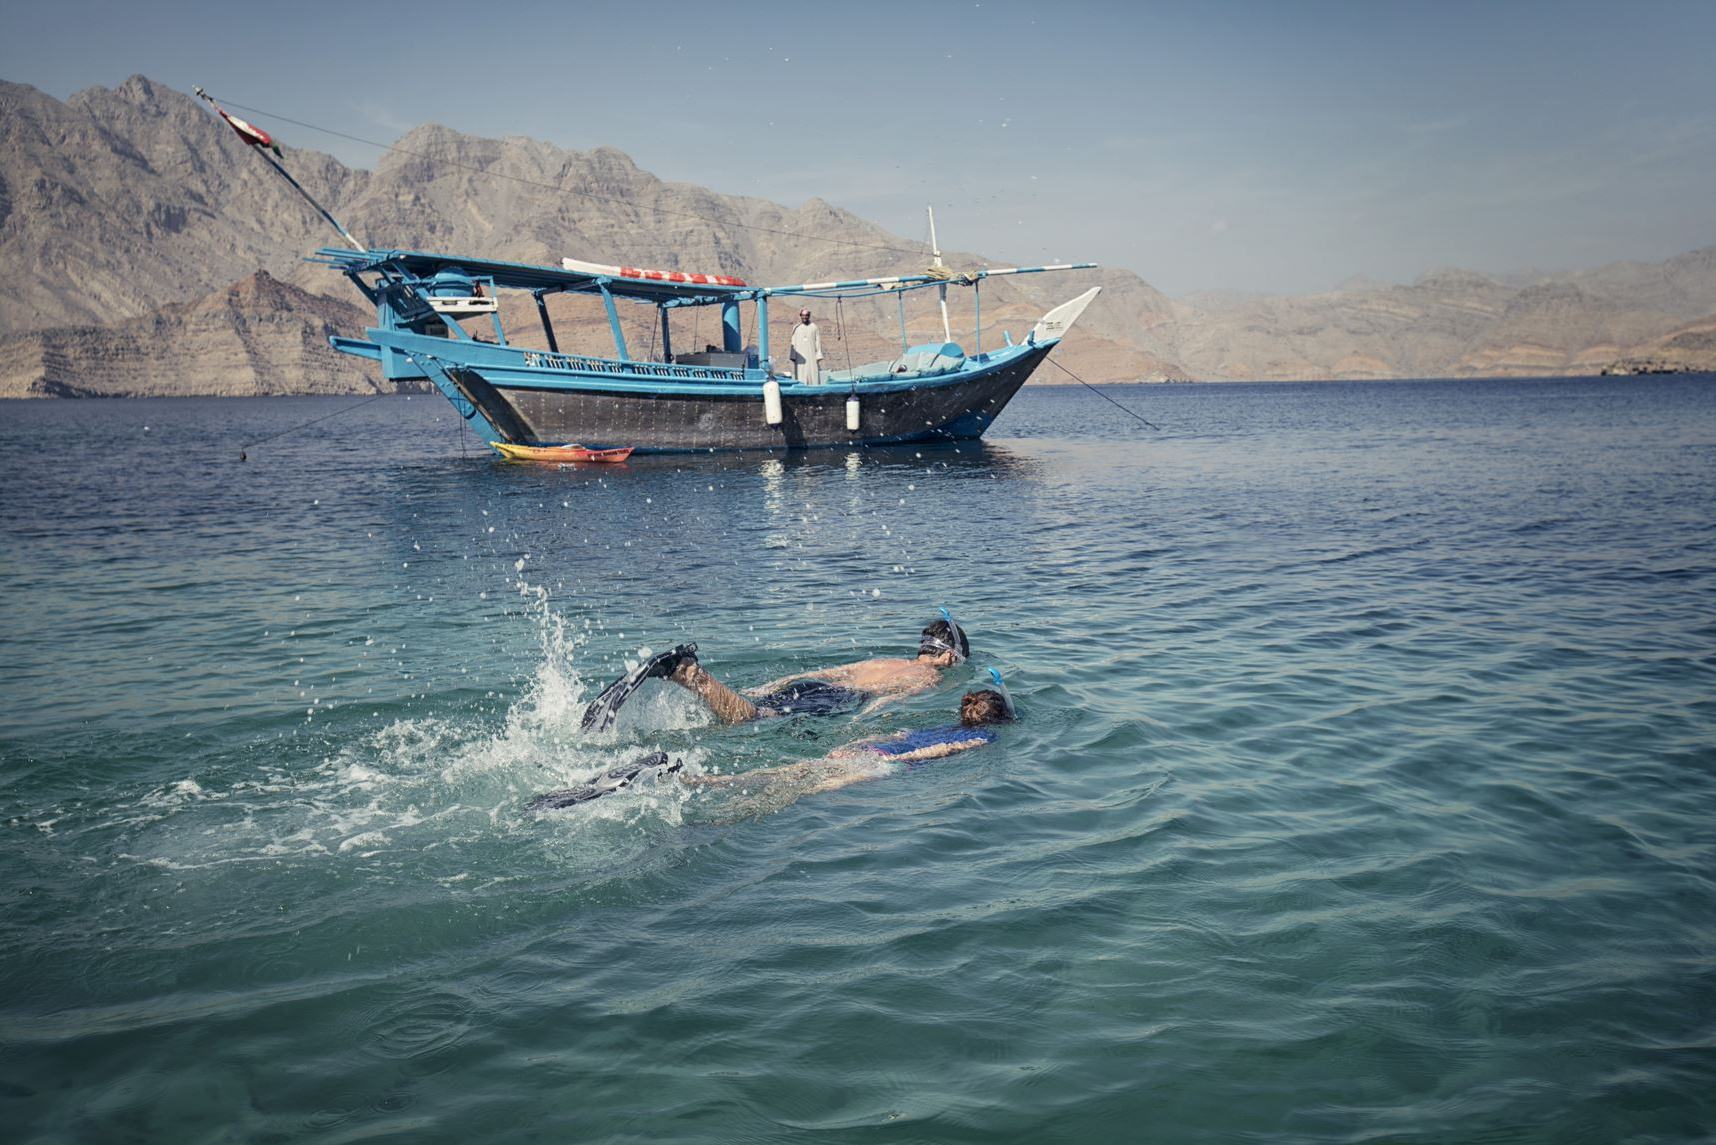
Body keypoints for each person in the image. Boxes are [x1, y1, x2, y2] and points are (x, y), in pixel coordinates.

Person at [536, 687, 1015, 813]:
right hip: (877, 763)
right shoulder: (980, 739)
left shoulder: (936, 722)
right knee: (787, 793)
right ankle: (695, 794)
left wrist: (859, 746)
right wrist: (881, 762)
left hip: (866, 749)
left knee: (784, 776)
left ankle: (686, 779)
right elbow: (920, 755)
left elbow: (901, 737)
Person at [578, 613, 971, 731]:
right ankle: (688, 673)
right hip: (839, 701)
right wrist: (860, 725)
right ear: (950, 657)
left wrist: (774, 684)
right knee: (750, 717)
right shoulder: (928, 678)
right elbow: (885, 700)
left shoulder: (881, 661)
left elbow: (830, 670)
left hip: (812, 686)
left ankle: (693, 680)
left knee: (742, 711)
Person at [788, 306, 824, 384]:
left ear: (809, 316)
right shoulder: (796, 328)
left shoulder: (814, 327)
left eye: (806, 315)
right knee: (801, 375)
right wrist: (793, 356)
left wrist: (818, 355)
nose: (805, 317)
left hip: (812, 356)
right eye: (803, 315)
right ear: (800, 316)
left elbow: (818, 341)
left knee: (813, 375)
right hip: (800, 357)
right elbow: (793, 342)